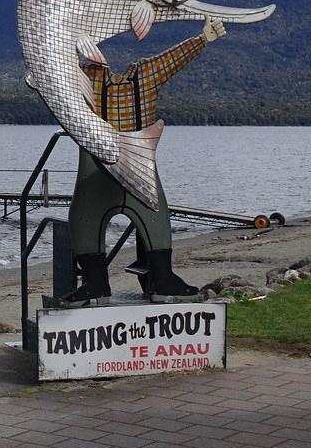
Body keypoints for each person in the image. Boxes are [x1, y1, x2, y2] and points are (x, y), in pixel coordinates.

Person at [61, 16, 226, 307]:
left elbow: (171, 60)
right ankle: (104, 281)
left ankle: (150, 278)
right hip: (109, 165)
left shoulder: (120, 77)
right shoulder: (96, 78)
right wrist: (202, 39)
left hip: (124, 164)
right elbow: (56, 68)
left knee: (146, 218)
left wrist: (202, 39)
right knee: (92, 218)